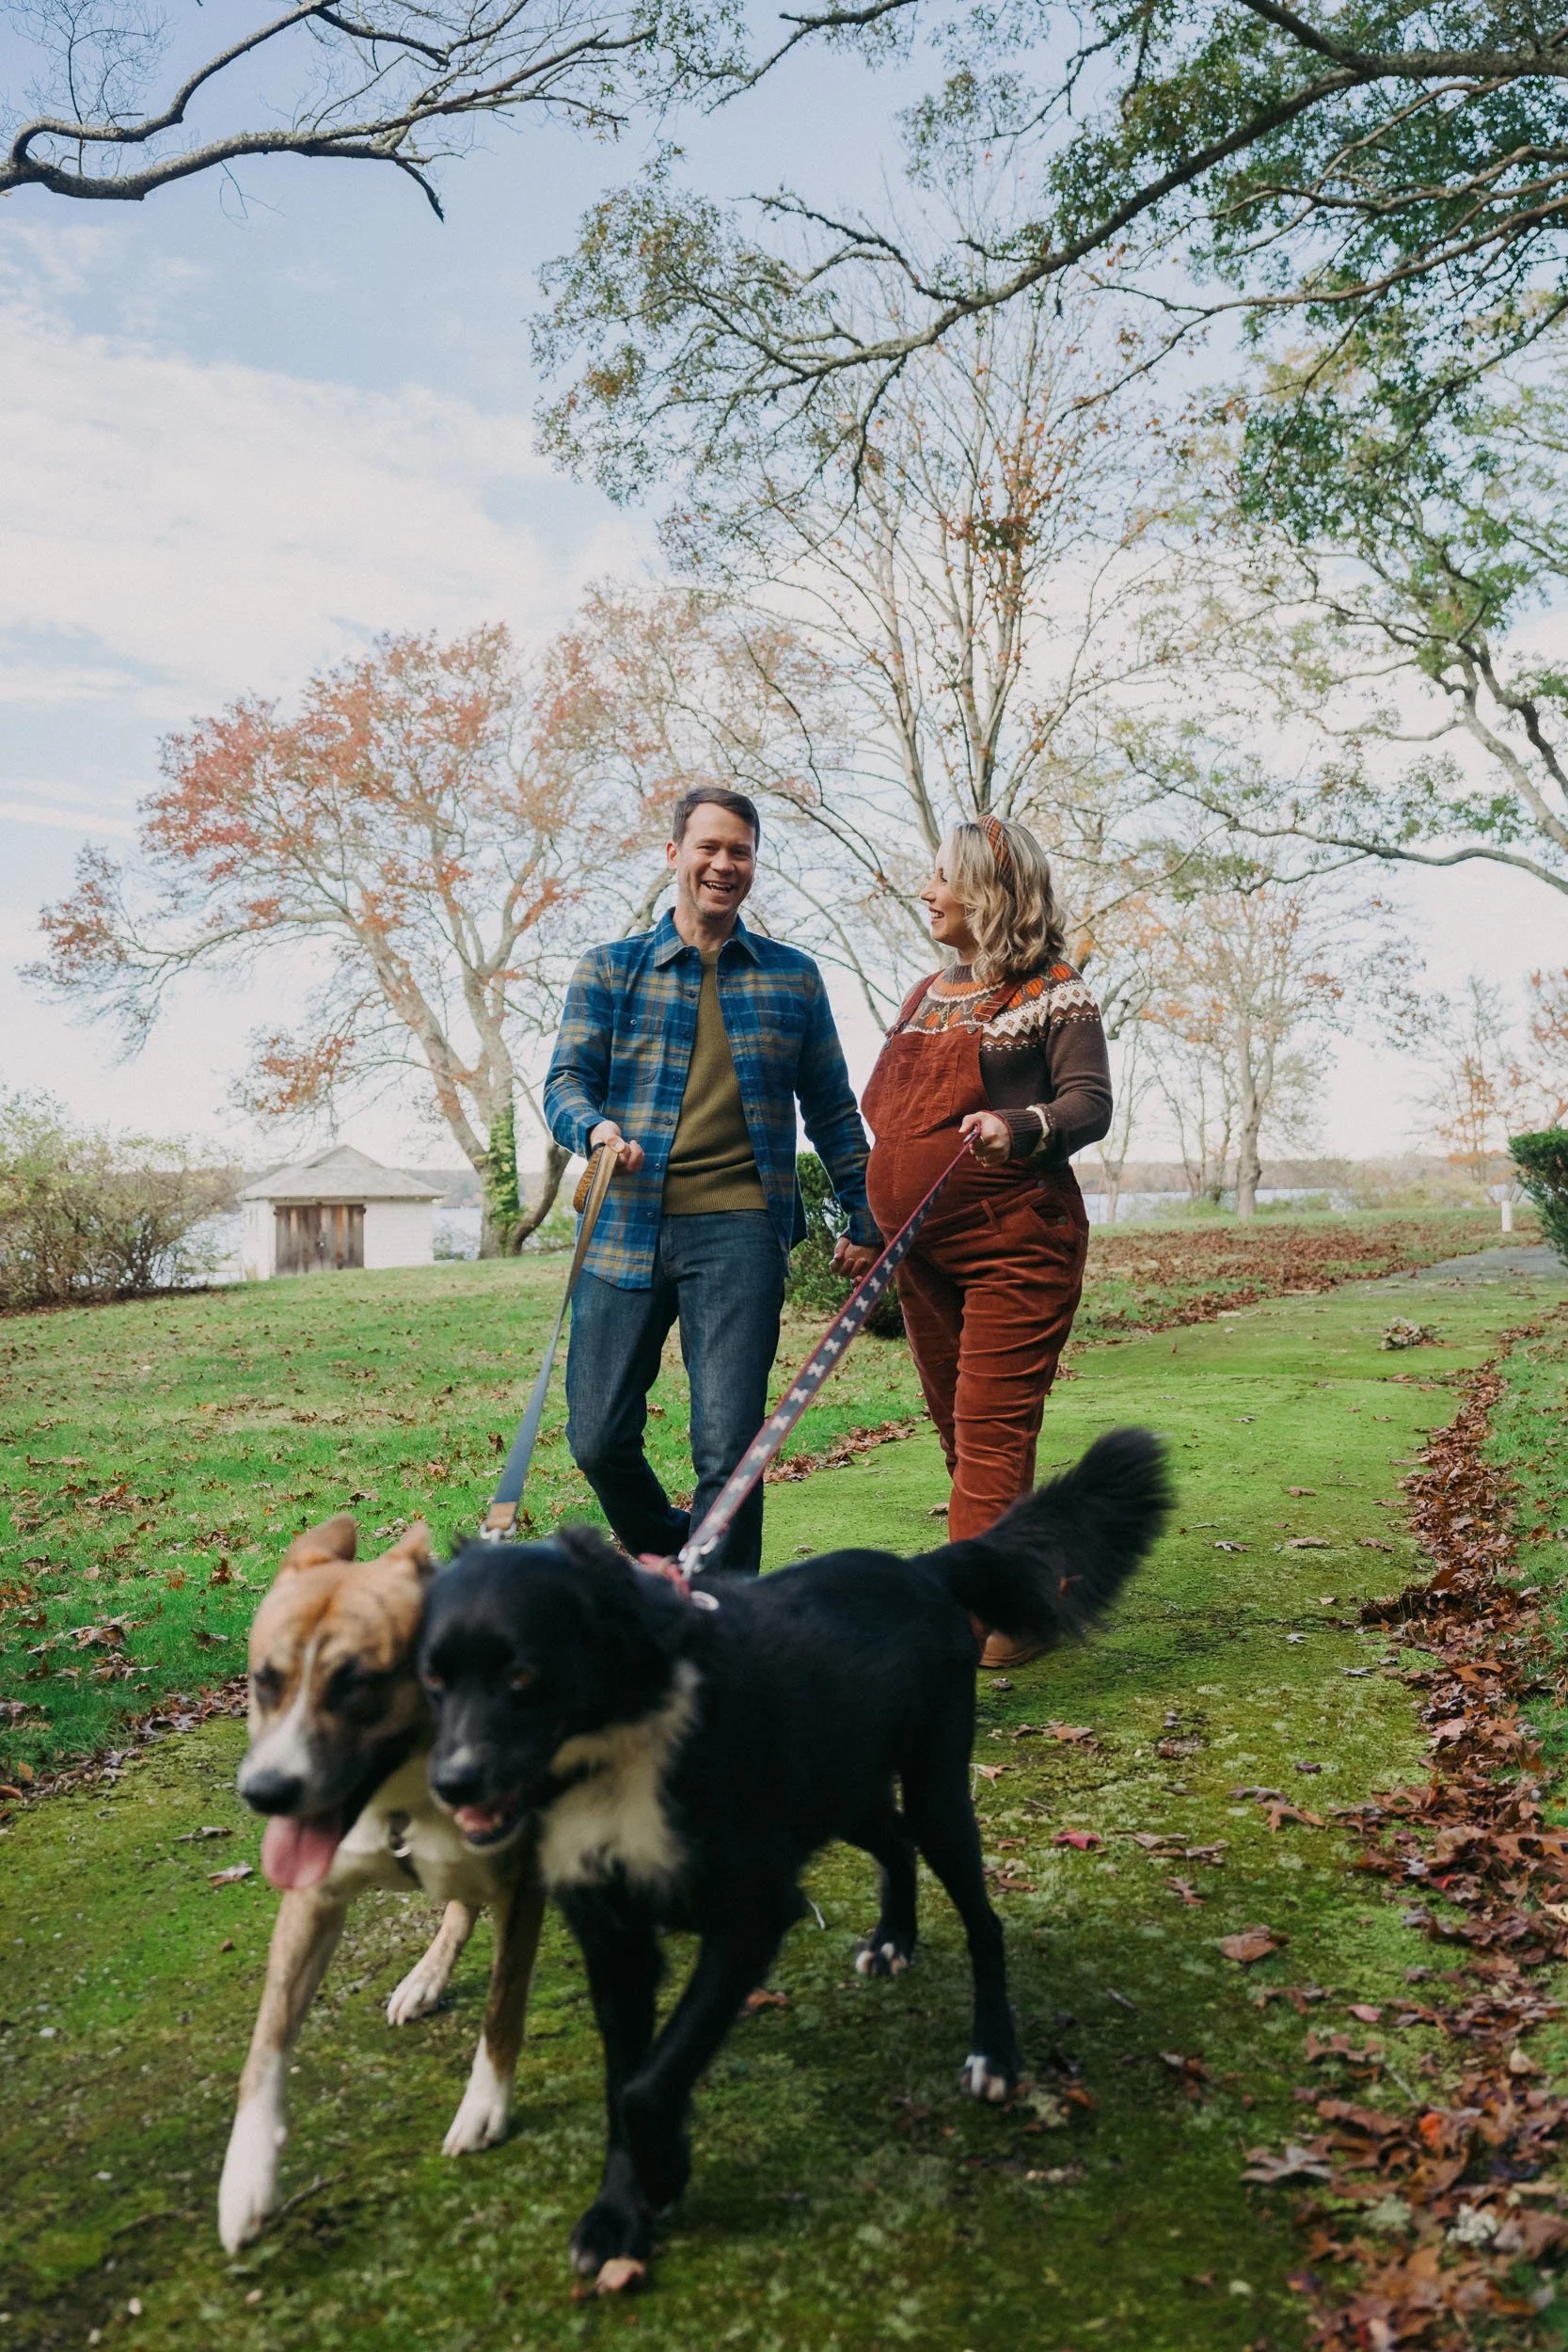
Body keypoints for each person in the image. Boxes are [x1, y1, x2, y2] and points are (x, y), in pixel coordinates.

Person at [543, 787, 879, 1578]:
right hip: (622, 1227)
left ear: (753, 865)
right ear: (674, 856)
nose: (724, 865)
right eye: (709, 847)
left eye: (741, 851)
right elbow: (564, 1082)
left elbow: (831, 1107)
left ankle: (730, 1628)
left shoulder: (792, 979)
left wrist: (864, 1214)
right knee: (595, 1439)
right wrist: (594, 1130)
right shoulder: (609, 970)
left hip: (738, 1232)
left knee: (728, 1449)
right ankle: (677, 1555)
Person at [863, 814, 1112, 1670]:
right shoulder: (924, 995)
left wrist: (1022, 1125)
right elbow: (894, 1130)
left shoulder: (1053, 989)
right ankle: (1029, 1590)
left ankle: (955, 1632)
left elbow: (1090, 1104)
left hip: (1017, 1245)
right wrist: (871, 1232)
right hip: (921, 1256)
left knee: (989, 1434)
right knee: (958, 1433)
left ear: (992, 892)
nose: (926, 891)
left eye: (942, 876)